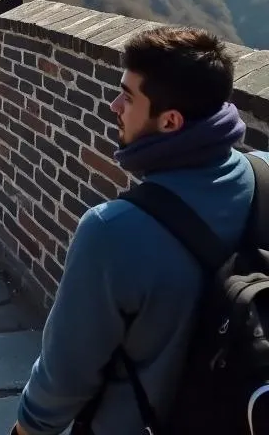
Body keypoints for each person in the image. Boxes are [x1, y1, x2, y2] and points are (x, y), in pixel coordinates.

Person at [13, 27, 262, 435]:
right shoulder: (266, 174)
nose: (114, 106)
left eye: (128, 97)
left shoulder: (113, 231)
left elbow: (66, 375)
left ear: (170, 121)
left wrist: (28, 428)